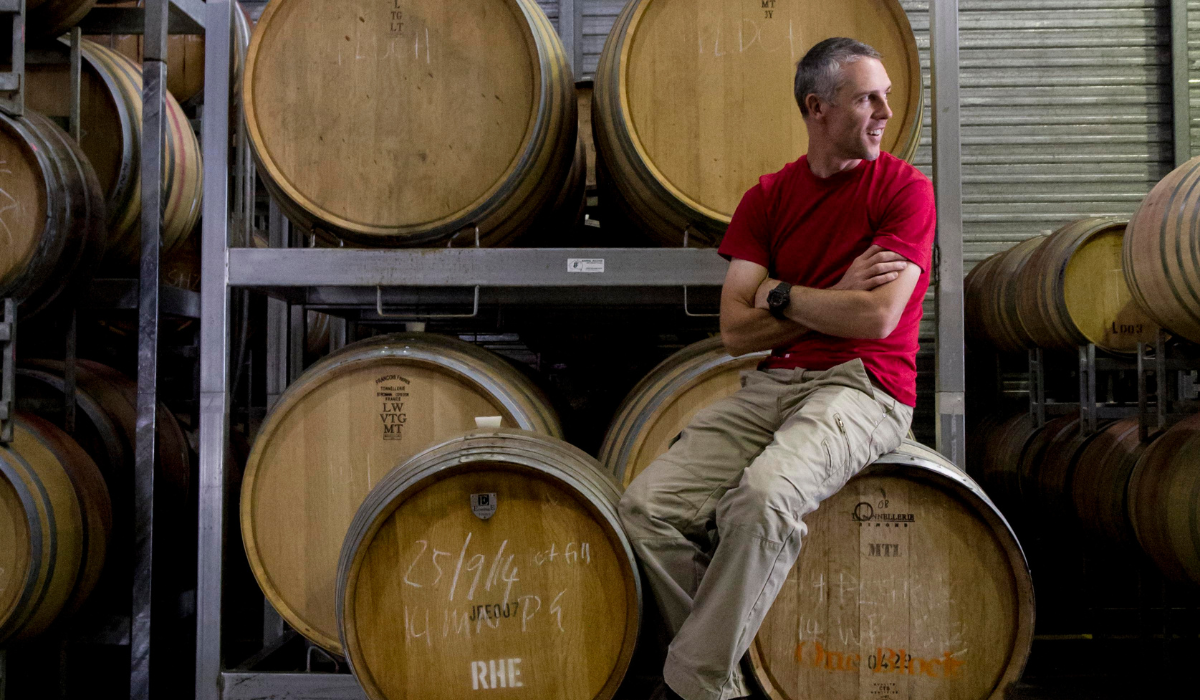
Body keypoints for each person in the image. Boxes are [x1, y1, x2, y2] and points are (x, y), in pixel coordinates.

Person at [617, 37, 937, 700]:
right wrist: (829, 294)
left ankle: (690, 684)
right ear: (817, 108)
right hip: (774, 383)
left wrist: (782, 293)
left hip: (866, 386)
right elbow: (736, 331)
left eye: (885, 95)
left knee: (761, 502)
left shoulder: (905, 191)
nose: (884, 110)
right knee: (645, 510)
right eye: (866, 98)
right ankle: (719, 682)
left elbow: (877, 319)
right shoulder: (767, 199)